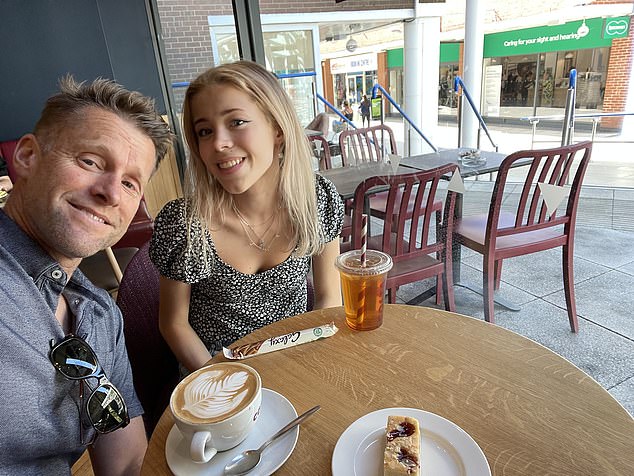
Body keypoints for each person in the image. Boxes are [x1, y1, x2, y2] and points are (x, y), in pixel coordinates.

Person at [0, 76, 174, 475]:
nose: (112, 192)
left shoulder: (100, 314)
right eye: (91, 161)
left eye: (131, 183)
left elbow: (128, 461)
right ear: (27, 157)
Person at [150, 60, 344, 373]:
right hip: (214, 375)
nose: (219, 143)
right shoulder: (184, 224)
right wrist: (226, 385)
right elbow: (174, 326)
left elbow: (328, 298)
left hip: (295, 365)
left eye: (237, 122)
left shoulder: (317, 200)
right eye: (204, 131)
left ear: (277, 129)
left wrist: (310, 369)